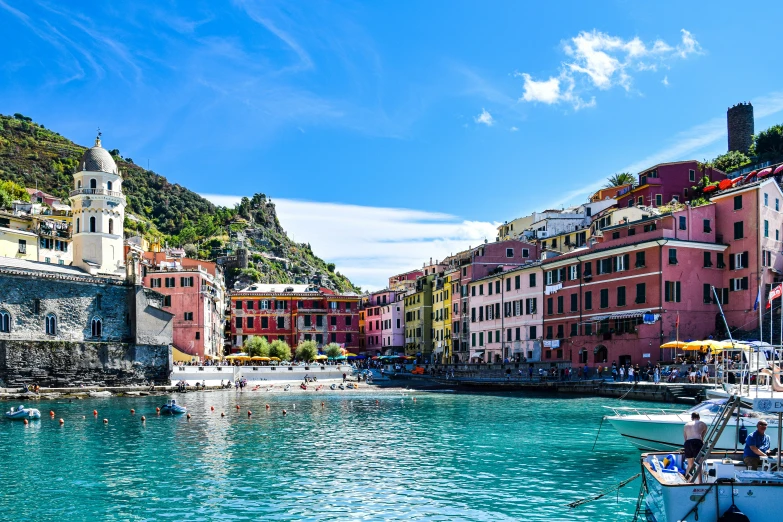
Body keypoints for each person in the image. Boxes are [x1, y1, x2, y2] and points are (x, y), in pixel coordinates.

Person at [683, 412, 708, 477]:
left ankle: (689, 480)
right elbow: (702, 438)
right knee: (698, 463)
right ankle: (700, 481)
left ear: (691, 418)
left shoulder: (686, 425)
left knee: (690, 464)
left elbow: (685, 438)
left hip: (687, 443)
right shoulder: (703, 424)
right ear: (699, 418)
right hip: (697, 442)